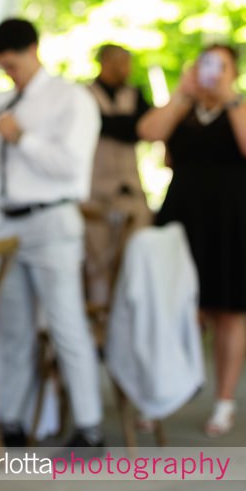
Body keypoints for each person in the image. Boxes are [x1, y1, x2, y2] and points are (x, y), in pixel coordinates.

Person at [0, 18, 102, 449]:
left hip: (51, 221)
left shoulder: (70, 99)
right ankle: (11, 422)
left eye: (13, 62)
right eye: (2, 65)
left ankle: (89, 426)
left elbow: (72, 167)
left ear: (33, 50)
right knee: (12, 326)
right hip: (5, 222)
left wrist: (24, 139)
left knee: (65, 322)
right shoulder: (1, 101)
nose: (8, 71)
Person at [138, 44, 246, 437]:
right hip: (184, 217)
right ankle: (167, 391)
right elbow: (148, 132)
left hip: (232, 220)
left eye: (220, 67)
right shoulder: (183, 110)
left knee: (229, 310)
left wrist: (230, 101)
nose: (211, 73)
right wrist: (181, 95)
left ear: (233, 72)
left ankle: (224, 399)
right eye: (205, 65)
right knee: (177, 308)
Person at [84, 44, 152, 306]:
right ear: (105, 63)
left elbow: (142, 128)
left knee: (133, 259)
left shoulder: (136, 94)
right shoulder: (86, 94)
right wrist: (125, 124)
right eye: (120, 63)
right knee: (96, 261)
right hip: (94, 190)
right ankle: (98, 319)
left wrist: (113, 124)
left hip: (130, 188)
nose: (126, 69)